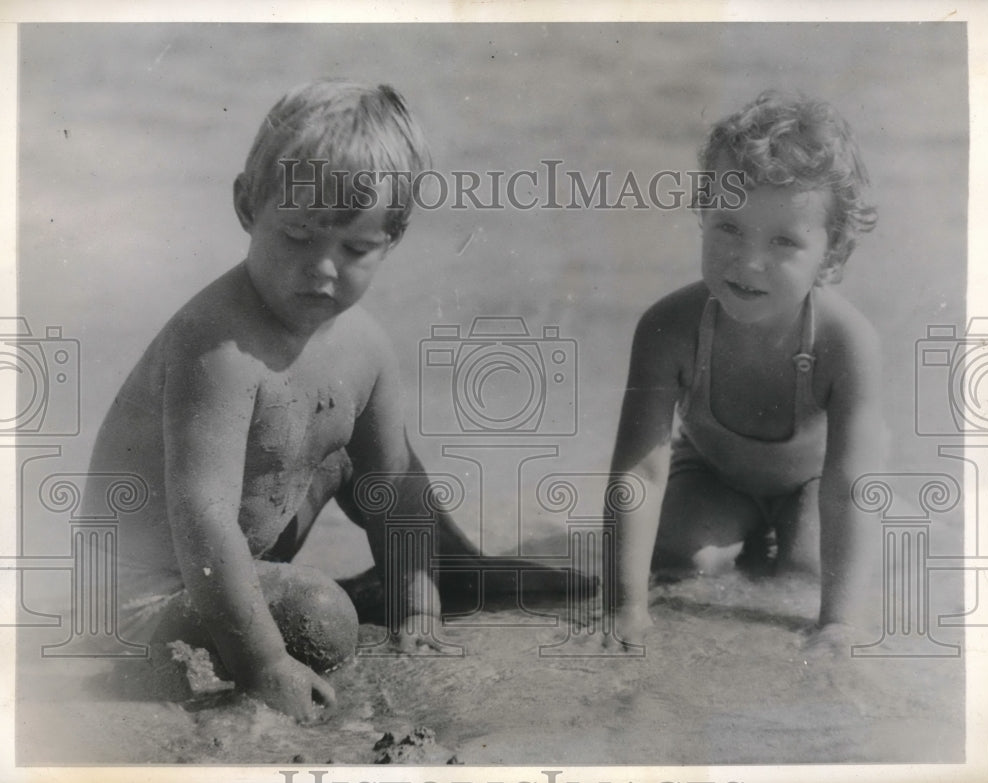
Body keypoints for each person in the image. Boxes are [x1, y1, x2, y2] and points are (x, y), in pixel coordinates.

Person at [85, 78, 584, 721]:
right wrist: (264, 664)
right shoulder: (217, 347)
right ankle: (304, 620)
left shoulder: (363, 347)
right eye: (297, 236)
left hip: (237, 576)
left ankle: (449, 576)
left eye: (354, 248)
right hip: (144, 608)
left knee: (378, 459)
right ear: (247, 205)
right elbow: (202, 519)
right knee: (319, 617)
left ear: (393, 236)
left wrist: (416, 617)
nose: (321, 269)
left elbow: (396, 490)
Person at [605, 90, 884, 653]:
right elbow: (639, 475)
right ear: (702, 213)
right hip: (714, 473)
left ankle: (796, 548)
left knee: (807, 572)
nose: (747, 260)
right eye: (729, 227)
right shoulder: (670, 326)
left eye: (783, 241)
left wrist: (838, 624)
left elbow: (849, 488)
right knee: (683, 556)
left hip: (812, 484)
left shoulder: (845, 342)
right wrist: (624, 607)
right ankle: (742, 535)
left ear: (830, 257)